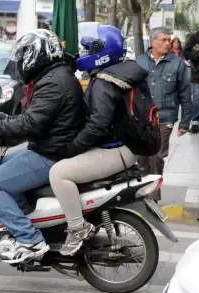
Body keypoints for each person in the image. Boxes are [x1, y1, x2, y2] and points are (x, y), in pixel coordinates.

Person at [0, 29, 85, 264]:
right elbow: (34, 117)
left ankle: (30, 239)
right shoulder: (54, 75)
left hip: (51, 153)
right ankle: (22, 218)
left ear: (36, 54)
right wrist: (0, 119)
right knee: (0, 163)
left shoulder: (54, 82)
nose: (21, 61)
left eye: (24, 55)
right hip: (52, 145)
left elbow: (30, 125)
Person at [48, 25, 145, 256]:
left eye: (87, 48)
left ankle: (76, 228)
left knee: (58, 173)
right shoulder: (117, 72)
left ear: (102, 51)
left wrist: (73, 147)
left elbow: (98, 125)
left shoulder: (104, 81)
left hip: (114, 151)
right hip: (123, 147)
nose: (83, 53)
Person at [135, 27, 191, 201]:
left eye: (169, 40)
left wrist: (184, 123)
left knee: (157, 156)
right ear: (152, 42)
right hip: (142, 119)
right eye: (164, 40)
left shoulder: (177, 63)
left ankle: (152, 197)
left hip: (165, 118)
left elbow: (185, 94)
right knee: (142, 157)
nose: (168, 43)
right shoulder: (139, 62)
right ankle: (141, 192)